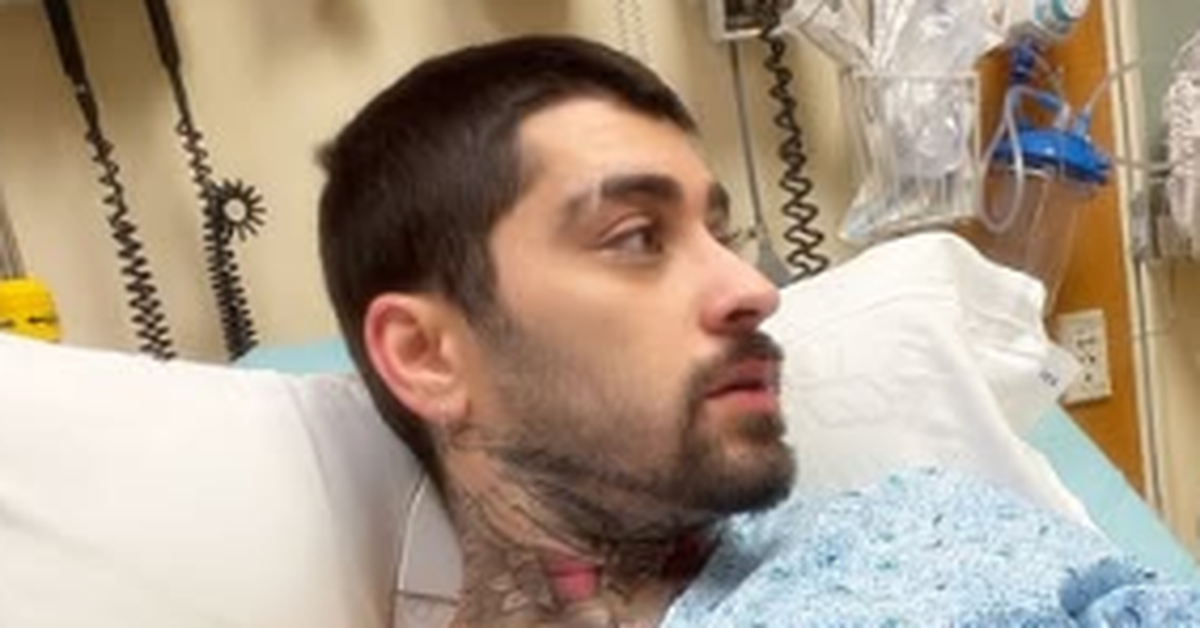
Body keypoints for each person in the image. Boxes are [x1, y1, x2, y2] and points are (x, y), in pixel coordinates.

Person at [319, 35, 1200, 628]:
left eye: (723, 234)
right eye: (636, 237)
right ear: (427, 356)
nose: (754, 289)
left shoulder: (929, 529)